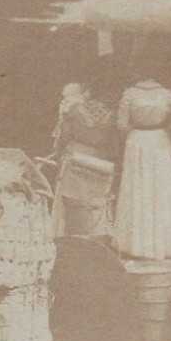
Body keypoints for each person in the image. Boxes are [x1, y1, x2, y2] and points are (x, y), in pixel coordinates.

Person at [113, 79, 171, 260]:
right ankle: (164, 245)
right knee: (161, 191)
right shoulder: (167, 95)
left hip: (136, 140)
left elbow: (121, 125)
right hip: (160, 140)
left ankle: (136, 244)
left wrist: (132, 135)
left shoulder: (130, 94)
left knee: (139, 189)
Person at [49, 82, 118, 238]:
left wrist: (61, 120)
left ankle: (67, 236)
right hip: (100, 158)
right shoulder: (104, 111)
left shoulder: (71, 112)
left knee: (73, 201)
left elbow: (64, 138)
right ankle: (98, 234)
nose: (65, 100)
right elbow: (112, 138)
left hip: (76, 158)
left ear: (83, 94)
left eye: (67, 96)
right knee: (97, 200)